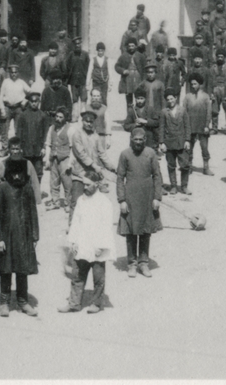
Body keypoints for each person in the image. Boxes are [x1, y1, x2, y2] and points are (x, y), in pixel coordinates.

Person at [60, 173, 115, 314]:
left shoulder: (104, 202)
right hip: (83, 243)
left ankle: (96, 303)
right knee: (77, 275)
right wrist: (73, 241)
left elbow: (107, 226)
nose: (85, 187)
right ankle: (74, 303)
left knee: (98, 277)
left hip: (97, 245)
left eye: (88, 184)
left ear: (96, 184)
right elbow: (76, 222)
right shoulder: (81, 200)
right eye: (84, 184)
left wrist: (101, 246)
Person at [0, 158, 39, 317]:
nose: (17, 177)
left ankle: (23, 301)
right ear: (8, 173)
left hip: (23, 237)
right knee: (5, 269)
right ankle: (4, 302)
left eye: (20, 173)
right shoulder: (1, 189)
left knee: (22, 269)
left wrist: (34, 236)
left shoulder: (27, 188)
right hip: (6, 237)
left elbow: (33, 213)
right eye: (14, 173)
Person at [116, 127, 163, 279]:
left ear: (145, 140)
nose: (138, 142)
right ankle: (132, 263)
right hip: (130, 198)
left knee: (145, 231)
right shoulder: (125, 154)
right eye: (135, 139)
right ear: (131, 139)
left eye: (140, 140)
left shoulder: (151, 153)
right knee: (130, 232)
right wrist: (122, 200)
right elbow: (120, 178)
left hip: (147, 198)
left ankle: (143, 262)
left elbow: (157, 176)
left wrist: (157, 197)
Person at [159, 91, 189, 195]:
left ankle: (184, 186)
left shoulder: (182, 110)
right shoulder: (164, 112)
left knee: (185, 165)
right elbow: (161, 128)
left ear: (176, 98)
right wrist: (161, 142)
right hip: (169, 143)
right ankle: (173, 186)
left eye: (171, 99)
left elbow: (187, 126)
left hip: (181, 142)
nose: (170, 101)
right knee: (171, 165)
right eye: (168, 99)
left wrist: (187, 140)